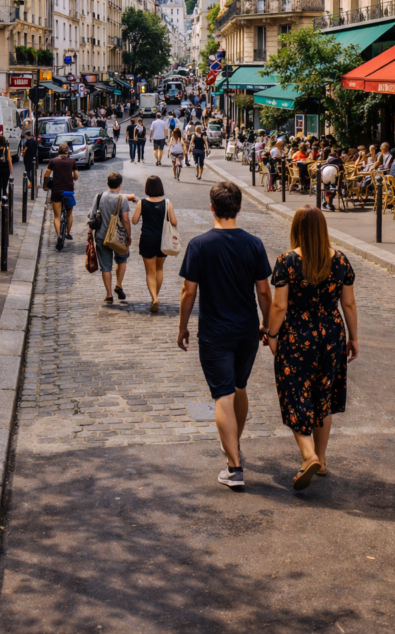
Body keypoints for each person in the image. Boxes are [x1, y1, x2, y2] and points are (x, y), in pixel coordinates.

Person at [177, 181, 272, 488]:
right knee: (239, 387)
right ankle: (234, 442)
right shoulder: (254, 244)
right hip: (246, 330)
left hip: (215, 332)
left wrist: (182, 326)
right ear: (239, 208)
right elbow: (263, 291)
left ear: (212, 208)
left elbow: (188, 292)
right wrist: (269, 325)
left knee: (222, 394)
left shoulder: (200, 245)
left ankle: (234, 467)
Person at [267, 206, 358, 490]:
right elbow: (349, 304)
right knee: (323, 395)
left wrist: (271, 334)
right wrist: (354, 337)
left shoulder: (287, 261)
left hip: (297, 335)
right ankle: (323, 458)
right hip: (332, 335)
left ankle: (308, 455)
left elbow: (280, 305)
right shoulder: (341, 260)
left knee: (295, 391)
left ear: (296, 228)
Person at [88, 171, 135, 304]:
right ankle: (118, 284)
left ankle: (108, 294)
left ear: (107, 183)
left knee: (106, 266)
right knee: (122, 259)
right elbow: (126, 220)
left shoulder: (98, 197)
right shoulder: (122, 199)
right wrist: (128, 236)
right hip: (119, 237)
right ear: (120, 185)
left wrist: (88, 233)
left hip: (102, 236)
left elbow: (92, 217)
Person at [132, 174, 177, 313]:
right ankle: (155, 296)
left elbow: (134, 221)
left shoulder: (142, 203)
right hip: (162, 240)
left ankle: (154, 298)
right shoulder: (167, 203)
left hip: (147, 239)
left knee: (150, 272)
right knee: (159, 269)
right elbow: (174, 222)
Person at [44, 142, 79, 250]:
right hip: (68, 190)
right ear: (67, 152)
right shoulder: (72, 161)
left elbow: (47, 174)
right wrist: (72, 178)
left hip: (56, 190)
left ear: (58, 151)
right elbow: (76, 176)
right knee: (70, 213)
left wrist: (45, 185)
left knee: (56, 216)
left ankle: (59, 235)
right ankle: (68, 232)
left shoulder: (53, 161)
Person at [0, 135, 14, 209]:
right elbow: (9, 160)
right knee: (4, 186)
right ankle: (4, 201)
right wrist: (11, 169)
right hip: (5, 168)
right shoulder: (7, 149)